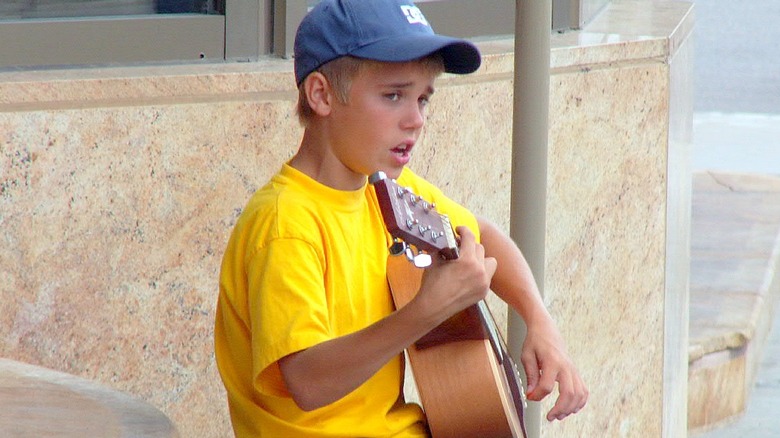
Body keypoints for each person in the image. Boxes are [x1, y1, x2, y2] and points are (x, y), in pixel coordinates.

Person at [214, 0, 588, 436]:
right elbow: (309, 381)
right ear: (322, 95)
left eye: (423, 99)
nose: (415, 120)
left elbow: (483, 234)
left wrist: (540, 322)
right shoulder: (286, 224)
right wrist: (427, 310)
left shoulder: (386, 189)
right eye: (393, 95)